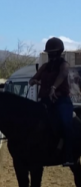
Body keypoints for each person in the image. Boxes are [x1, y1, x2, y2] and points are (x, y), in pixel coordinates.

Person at [29, 37, 74, 167]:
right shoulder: (44, 67)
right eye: (49, 53)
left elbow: (62, 75)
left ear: (59, 52)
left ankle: (69, 155)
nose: (51, 55)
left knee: (66, 123)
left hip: (61, 100)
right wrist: (33, 81)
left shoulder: (64, 65)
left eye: (53, 52)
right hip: (44, 100)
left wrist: (54, 87)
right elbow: (35, 77)